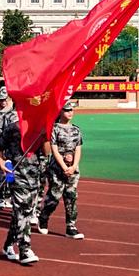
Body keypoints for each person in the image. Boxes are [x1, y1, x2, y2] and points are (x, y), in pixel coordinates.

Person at [0, 112, 40, 265]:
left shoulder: (39, 128)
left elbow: (46, 152)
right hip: (17, 174)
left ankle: (8, 244)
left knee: (23, 212)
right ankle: (24, 249)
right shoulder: (12, 128)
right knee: (22, 209)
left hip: (34, 175)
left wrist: (45, 135)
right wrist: (2, 164)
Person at [38, 102, 84, 239]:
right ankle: (44, 217)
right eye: (67, 110)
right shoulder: (54, 129)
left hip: (72, 169)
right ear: (60, 112)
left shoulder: (76, 130)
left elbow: (78, 149)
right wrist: (64, 167)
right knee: (54, 196)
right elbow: (54, 149)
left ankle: (71, 226)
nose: (70, 112)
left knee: (71, 197)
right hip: (57, 168)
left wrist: (74, 166)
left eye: (72, 110)